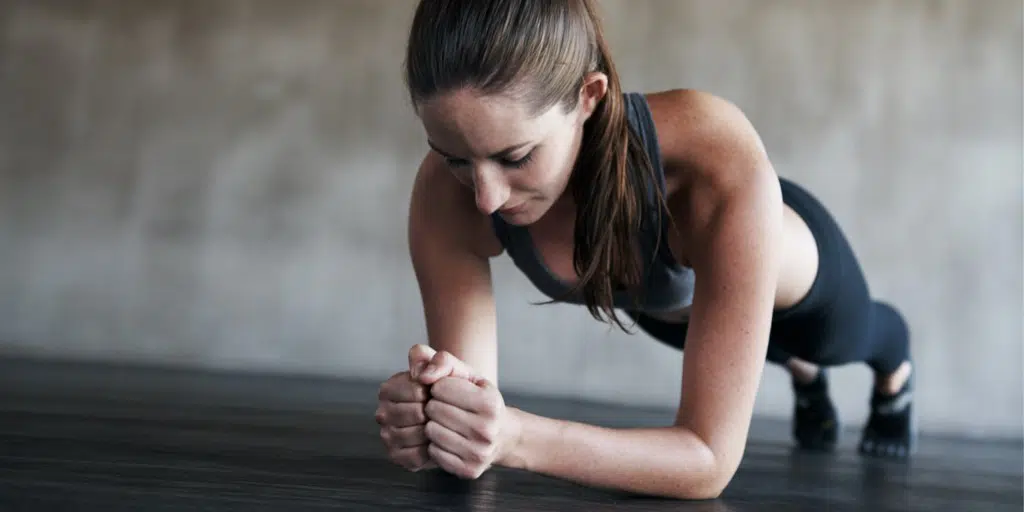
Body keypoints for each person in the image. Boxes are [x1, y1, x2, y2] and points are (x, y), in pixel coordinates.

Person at [375, 0, 915, 500]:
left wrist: (515, 438)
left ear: (589, 98)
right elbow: (472, 412)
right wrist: (434, 421)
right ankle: (801, 375)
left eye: (515, 157)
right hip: (664, 303)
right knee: (746, 347)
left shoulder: (711, 158)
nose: (486, 197)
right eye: (455, 158)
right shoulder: (446, 194)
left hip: (794, 271)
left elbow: (708, 461)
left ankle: (894, 375)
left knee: (848, 339)